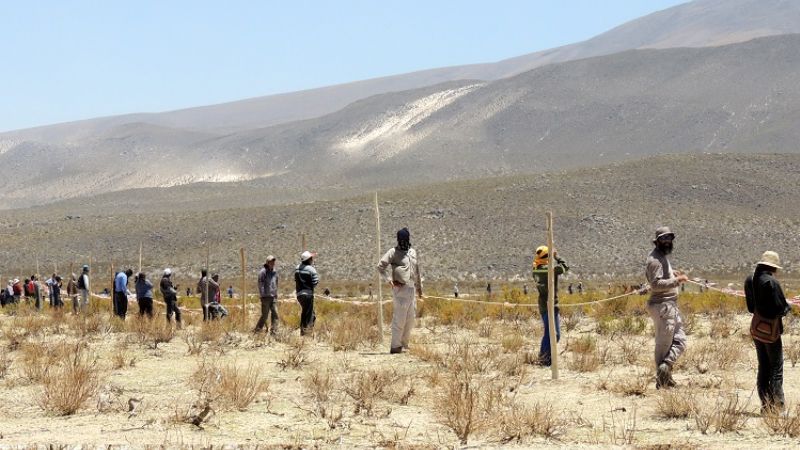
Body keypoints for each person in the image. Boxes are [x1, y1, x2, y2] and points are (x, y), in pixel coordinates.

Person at [745, 251, 791, 412]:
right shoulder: (772, 282)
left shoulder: (750, 279)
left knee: (763, 367)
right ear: (772, 266)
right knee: (776, 368)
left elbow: (751, 308)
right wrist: (788, 307)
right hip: (771, 331)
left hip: (757, 329)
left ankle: (766, 405)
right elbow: (781, 309)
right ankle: (779, 406)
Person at [645, 226, 689, 389]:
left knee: (680, 340)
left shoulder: (662, 257)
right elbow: (655, 284)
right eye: (664, 239)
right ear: (657, 241)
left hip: (670, 305)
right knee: (663, 344)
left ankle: (665, 369)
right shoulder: (655, 260)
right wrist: (677, 281)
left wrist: (672, 274)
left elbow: (661, 277)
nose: (667, 241)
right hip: (662, 306)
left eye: (669, 238)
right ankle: (662, 380)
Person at [378, 228, 423, 354]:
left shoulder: (413, 252)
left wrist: (420, 289)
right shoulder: (393, 252)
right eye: (401, 239)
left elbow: (417, 271)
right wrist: (388, 280)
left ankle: (404, 344)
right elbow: (380, 266)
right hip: (400, 289)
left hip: (412, 289)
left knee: (410, 319)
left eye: (405, 239)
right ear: (398, 240)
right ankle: (395, 346)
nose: (403, 241)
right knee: (399, 318)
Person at [532, 245, 569, 366]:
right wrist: (556, 256)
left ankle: (544, 358)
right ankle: (544, 358)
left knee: (549, 333)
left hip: (543, 305)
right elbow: (565, 267)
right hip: (550, 305)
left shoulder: (536, 268)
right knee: (555, 334)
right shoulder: (548, 270)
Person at [295, 250, 319, 336]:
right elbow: (315, 282)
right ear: (308, 259)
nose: (312, 259)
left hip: (299, 295)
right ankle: (307, 333)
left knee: (305, 312)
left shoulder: (297, 268)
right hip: (308, 294)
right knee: (309, 314)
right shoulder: (311, 269)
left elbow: (296, 280)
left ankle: (302, 331)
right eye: (311, 258)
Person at [255, 256, 279, 334]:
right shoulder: (263, 272)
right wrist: (262, 295)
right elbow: (260, 284)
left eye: (273, 262)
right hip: (266, 297)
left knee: (275, 314)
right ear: (267, 263)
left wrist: (276, 293)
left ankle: (274, 331)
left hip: (273, 297)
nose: (273, 263)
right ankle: (257, 330)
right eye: (271, 262)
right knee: (265, 315)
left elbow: (276, 283)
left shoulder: (275, 272)